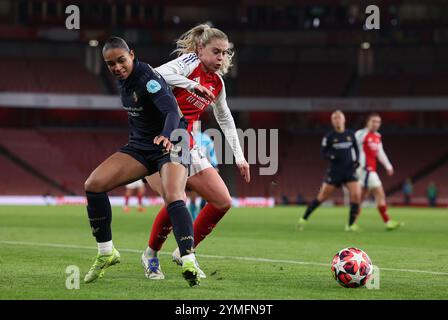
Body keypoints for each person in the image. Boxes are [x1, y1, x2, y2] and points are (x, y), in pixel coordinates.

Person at [83, 36, 200, 287]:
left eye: (121, 60)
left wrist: (166, 135)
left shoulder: (148, 78)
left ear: (132, 55)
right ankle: (107, 253)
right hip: (141, 146)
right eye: (111, 63)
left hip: (171, 142)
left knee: (173, 196)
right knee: (93, 184)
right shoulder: (124, 80)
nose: (116, 67)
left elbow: (170, 110)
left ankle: (188, 258)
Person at [140, 24, 250, 280]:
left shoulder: (217, 82)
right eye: (216, 52)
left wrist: (240, 156)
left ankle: (183, 251)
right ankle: (151, 255)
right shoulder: (189, 62)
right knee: (176, 199)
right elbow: (156, 75)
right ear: (200, 50)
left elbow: (225, 118)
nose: (221, 58)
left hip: (186, 142)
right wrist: (191, 85)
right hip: (158, 139)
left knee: (222, 201)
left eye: (225, 53)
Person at [297, 110, 361, 232]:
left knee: (356, 196)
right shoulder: (329, 136)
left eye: (339, 117)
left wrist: (356, 160)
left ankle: (350, 225)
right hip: (335, 171)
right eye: (335, 118)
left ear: (344, 119)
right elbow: (323, 153)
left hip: (349, 170)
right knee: (322, 197)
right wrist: (332, 156)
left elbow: (357, 149)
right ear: (332, 121)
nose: (337, 120)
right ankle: (304, 218)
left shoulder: (350, 134)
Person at [355, 113, 403, 231]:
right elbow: (352, 149)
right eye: (373, 121)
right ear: (367, 122)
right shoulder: (360, 134)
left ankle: (352, 222)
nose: (376, 124)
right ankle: (387, 221)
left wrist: (388, 165)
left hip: (371, 170)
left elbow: (380, 153)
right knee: (378, 194)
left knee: (362, 197)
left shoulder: (377, 136)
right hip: (364, 170)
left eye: (378, 122)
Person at [188, 126, 219, 220]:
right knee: (193, 191)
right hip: (191, 165)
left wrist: (215, 165)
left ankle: (201, 208)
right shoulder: (186, 134)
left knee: (206, 189)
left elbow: (211, 152)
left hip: (204, 166)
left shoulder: (205, 138)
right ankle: (194, 214)